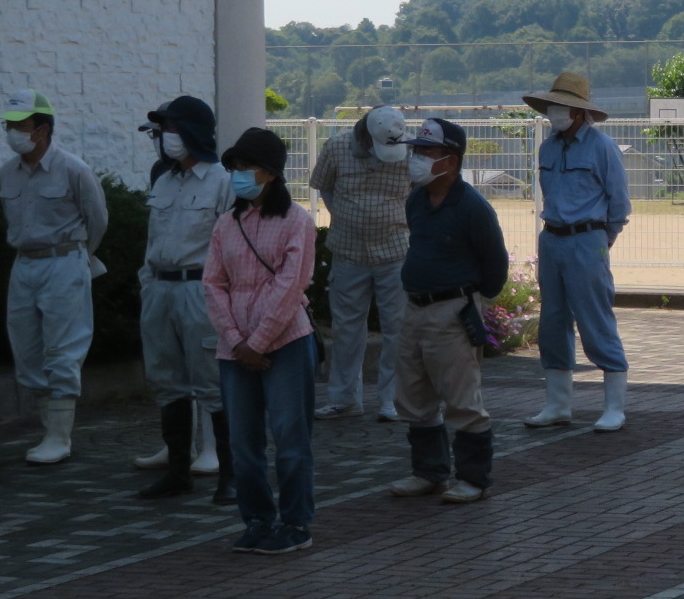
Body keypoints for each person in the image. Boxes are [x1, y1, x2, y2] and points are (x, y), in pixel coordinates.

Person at [205, 127, 320, 555]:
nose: (239, 175)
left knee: (291, 438)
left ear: (271, 173)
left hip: (287, 342)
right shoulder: (225, 224)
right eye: (234, 167)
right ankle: (256, 519)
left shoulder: (298, 223)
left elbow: (292, 288)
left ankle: (295, 522)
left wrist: (259, 340)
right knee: (243, 441)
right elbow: (213, 284)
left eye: (247, 167)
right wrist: (237, 341)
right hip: (234, 350)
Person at [387, 119, 511, 503]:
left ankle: (474, 478)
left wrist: (470, 300)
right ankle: (429, 471)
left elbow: (495, 265)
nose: (417, 159)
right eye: (416, 151)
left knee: (462, 399)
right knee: (412, 396)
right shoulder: (417, 201)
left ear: (451, 162)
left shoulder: (472, 207)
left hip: (452, 311)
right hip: (415, 308)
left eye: (426, 152)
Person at [0, 90, 109, 465]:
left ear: (42, 129)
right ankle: (49, 430)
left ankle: (59, 438)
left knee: (62, 349)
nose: (13, 132)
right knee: (27, 349)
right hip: (23, 264)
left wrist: (77, 258)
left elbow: (98, 220)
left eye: (20, 125)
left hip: (64, 261)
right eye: (9, 125)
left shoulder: (74, 169)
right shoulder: (6, 173)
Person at [134, 96, 236, 502]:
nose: (166, 138)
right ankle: (178, 471)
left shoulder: (222, 182)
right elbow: (152, 240)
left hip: (200, 291)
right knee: (167, 382)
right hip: (160, 289)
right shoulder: (163, 180)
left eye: (173, 128)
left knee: (213, 385)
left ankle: (231, 473)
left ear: (193, 131)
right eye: (164, 129)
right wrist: (147, 284)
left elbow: (232, 248)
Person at [521, 71, 632, 432]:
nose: (556, 112)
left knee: (595, 318)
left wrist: (602, 239)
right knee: (552, 321)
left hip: (588, 238)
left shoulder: (602, 148)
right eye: (553, 105)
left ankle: (614, 407)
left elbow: (619, 204)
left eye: (564, 106)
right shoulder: (548, 146)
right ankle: (557, 405)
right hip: (551, 238)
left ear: (581, 112)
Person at [311, 104, 412, 422]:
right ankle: (344, 399)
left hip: (395, 251)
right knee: (346, 329)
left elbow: (419, 190)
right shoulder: (337, 146)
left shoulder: (408, 150)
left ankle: (392, 400)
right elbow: (324, 185)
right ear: (365, 135)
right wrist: (343, 214)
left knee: (397, 328)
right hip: (348, 251)